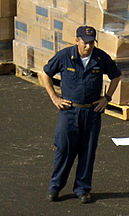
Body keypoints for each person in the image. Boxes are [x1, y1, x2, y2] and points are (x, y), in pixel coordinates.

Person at [40, 26, 121, 204]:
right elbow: (45, 74)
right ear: (77, 40)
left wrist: (106, 98)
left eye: (92, 43)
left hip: (91, 112)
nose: (88, 46)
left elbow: (116, 76)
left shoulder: (100, 58)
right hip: (69, 111)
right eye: (85, 42)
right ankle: (55, 187)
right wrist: (55, 98)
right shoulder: (65, 56)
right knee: (63, 149)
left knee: (88, 151)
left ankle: (82, 189)